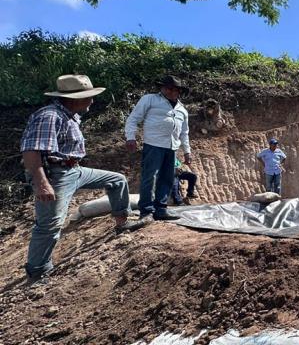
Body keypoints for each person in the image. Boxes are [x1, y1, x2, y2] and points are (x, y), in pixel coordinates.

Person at [21, 75, 149, 284]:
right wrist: (42, 183)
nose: (92, 101)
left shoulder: (69, 115)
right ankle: (37, 271)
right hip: (55, 174)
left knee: (117, 180)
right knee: (50, 224)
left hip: (74, 169)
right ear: (73, 98)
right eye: (88, 97)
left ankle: (122, 222)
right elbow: (31, 151)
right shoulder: (49, 116)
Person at [125, 75, 192, 222]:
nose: (168, 91)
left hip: (172, 147)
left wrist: (187, 151)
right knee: (149, 177)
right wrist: (130, 137)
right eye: (166, 88)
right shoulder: (150, 99)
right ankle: (146, 211)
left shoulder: (182, 110)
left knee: (167, 178)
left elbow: (184, 132)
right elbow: (134, 118)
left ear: (178, 91)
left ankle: (161, 209)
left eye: (173, 89)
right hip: (153, 145)